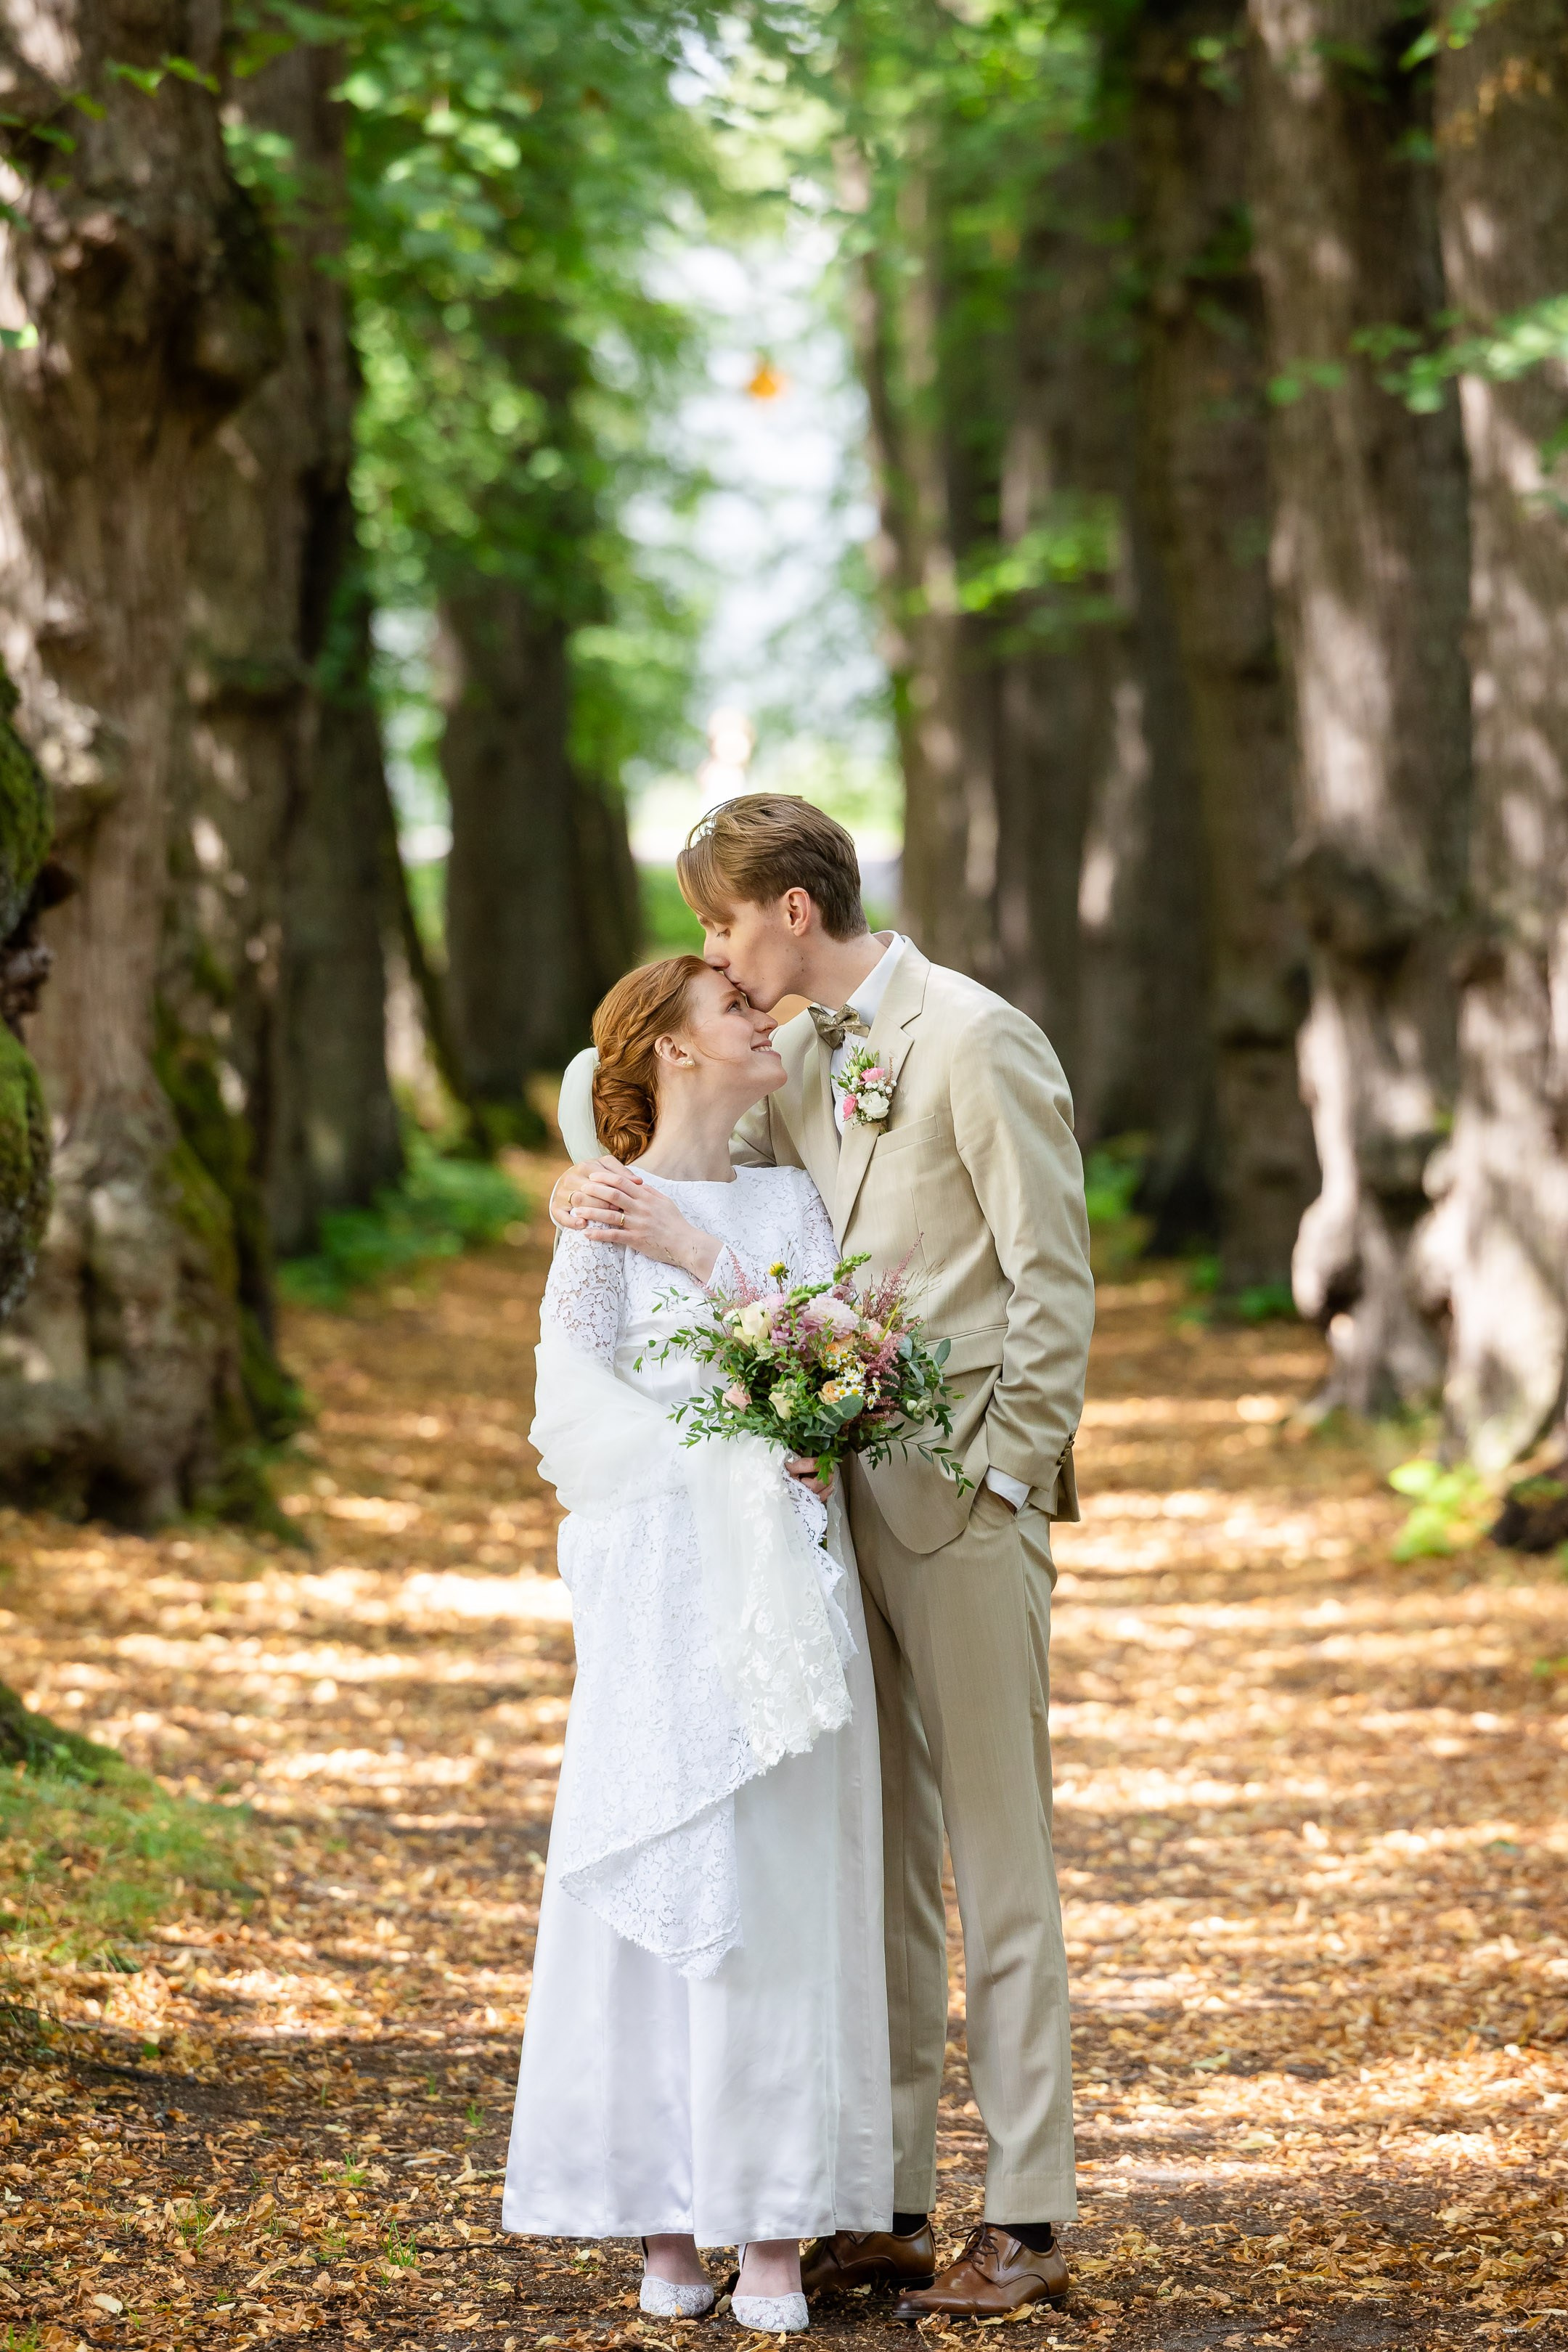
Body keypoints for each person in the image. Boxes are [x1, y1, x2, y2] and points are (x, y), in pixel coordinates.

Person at [552, 796, 1094, 2320]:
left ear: (792, 909)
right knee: (874, 1874)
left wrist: (1004, 1473)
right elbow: (701, 1169)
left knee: (1000, 1869)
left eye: (722, 925)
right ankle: (889, 2199)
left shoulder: (979, 1041)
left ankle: (1033, 2220)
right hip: (822, 1521)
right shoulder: (788, 1062)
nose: (712, 953)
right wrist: (581, 1198)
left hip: (967, 1513)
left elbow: (1054, 1284)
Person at [504, 953, 892, 2335]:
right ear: (668, 1048)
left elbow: (835, 1349)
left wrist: (705, 1263)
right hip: (660, 1570)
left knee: (782, 1881)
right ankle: (667, 2216)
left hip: (785, 1567)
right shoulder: (602, 1208)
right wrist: (705, 1466)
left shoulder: (795, 1192)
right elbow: (570, 1400)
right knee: (672, 1859)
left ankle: (772, 2225)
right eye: (736, 1006)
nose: (764, 1016)